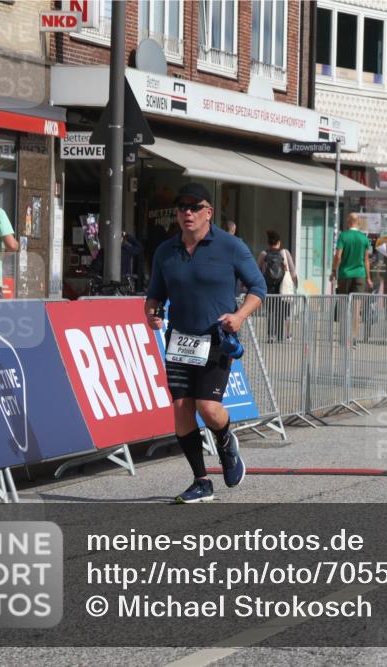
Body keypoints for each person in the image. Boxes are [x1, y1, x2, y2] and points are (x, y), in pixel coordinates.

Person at [145, 183, 266, 504]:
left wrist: (239, 316)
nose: (187, 212)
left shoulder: (231, 246)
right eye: (182, 207)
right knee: (181, 409)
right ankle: (201, 481)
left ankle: (225, 441)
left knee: (208, 408)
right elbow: (154, 295)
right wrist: (152, 314)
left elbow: (258, 288)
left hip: (216, 339)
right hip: (179, 341)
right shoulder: (165, 251)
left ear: (208, 212)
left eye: (194, 207)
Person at [330, 213, 373, 343]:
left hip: (345, 275)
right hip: (360, 275)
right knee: (356, 308)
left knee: (344, 306)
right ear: (358, 223)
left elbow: (338, 256)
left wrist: (333, 271)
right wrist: (368, 278)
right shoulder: (364, 238)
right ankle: (353, 338)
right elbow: (366, 260)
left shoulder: (343, 236)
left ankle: (343, 336)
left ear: (348, 222)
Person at [257, 229, 297, 342]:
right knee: (281, 311)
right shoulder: (284, 253)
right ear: (279, 242)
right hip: (282, 287)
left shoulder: (264, 254)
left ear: (268, 242)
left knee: (270, 312)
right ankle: (280, 336)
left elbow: (256, 271)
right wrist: (294, 285)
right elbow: (293, 272)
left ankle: (271, 336)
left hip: (268, 287)